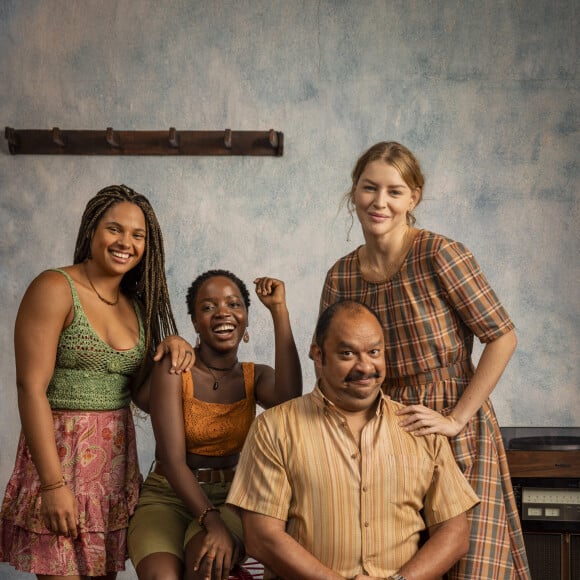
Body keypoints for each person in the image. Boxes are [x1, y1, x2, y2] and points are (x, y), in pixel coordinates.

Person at [316, 141, 530, 579]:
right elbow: (330, 365)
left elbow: (502, 337)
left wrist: (456, 418)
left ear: (414, 197)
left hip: (455, 423)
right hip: (382, 430)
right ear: (353, 192)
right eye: (369, 188)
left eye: (395, 191)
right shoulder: (340, 275)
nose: (380, 202)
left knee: (472, 565)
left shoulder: (440, 254)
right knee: (401, 564)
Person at [0, 184, 194, 579]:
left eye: (138, 235)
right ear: (91, 231)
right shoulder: (55, 288)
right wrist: (53, 486)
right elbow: (30, 388)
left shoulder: (136, 306)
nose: (126, 242)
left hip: (112, 470)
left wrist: (171, 353)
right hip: (60, 461)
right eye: (115, 229)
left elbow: (140, 396)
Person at [227, 300, 479, 580]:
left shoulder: (422, 429)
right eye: (347, 353)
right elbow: (262, 538)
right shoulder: (274, 428)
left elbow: (455, 533)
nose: (365, 366)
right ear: (318, 355)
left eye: (374, 352)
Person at [128, 270, 303, 580]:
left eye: (234, 304)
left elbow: (289, 399)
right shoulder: (175, 367)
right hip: (167, 495)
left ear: (246, 318)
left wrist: (279, 311)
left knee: (206, 565)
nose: (223, 312)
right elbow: (171, 459)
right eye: (208, 307)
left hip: (231, 497)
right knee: (162, 576)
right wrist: (212, 522)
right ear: (195, 322)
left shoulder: (256, 377)